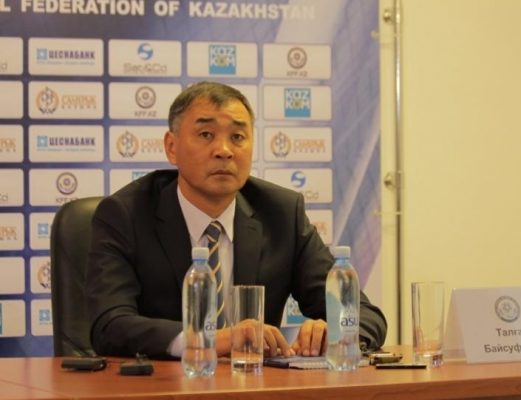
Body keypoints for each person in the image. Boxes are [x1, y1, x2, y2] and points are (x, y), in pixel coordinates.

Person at [86, 81, 387, 359]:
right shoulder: (126, 215)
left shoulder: (281, 214)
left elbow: (366, 315)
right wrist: (207, 341)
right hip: (164, 386)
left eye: (237, 137)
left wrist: (337, 332)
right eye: (206, 135)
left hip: (254, 385)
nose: (224, 151)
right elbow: (110, 325)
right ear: (171, 147)